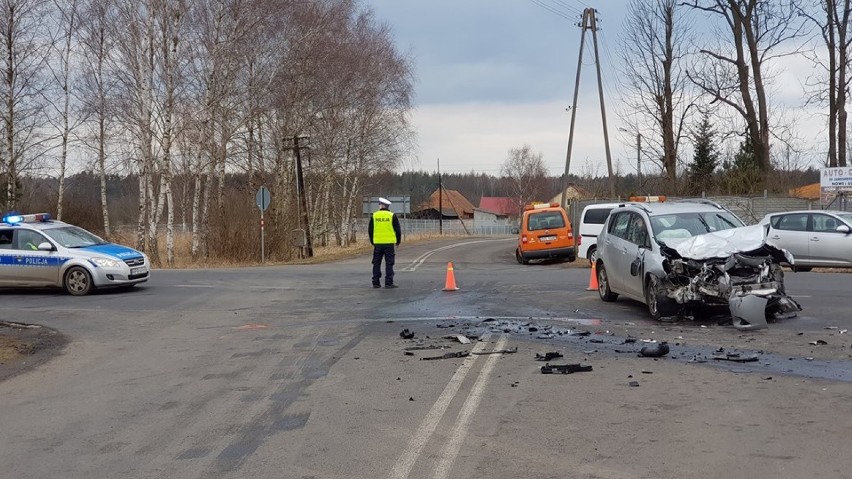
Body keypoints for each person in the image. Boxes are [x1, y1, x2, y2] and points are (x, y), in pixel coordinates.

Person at [368, 197, 401, 288]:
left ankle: (375, 282)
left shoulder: (374, 215)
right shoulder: (392, 215)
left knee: (376, 263)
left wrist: (372, 241)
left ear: (380, 205)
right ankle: (389, 282)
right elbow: (397, 229)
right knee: (389, 263)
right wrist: (398, 241)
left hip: (377, 243)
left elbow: (370, 230)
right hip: (389, 244)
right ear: (387, 206)